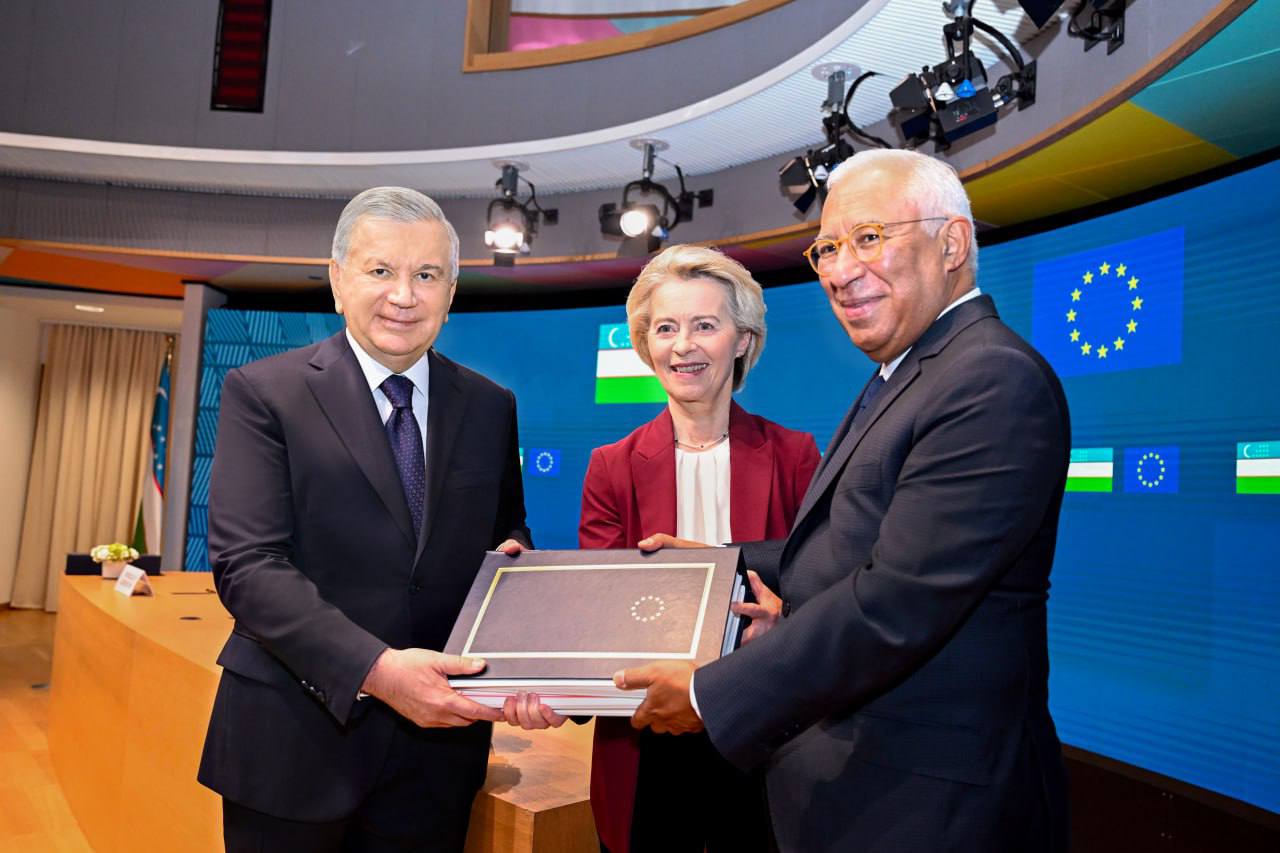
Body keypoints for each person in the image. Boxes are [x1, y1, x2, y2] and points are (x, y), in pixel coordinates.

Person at [616, 150, 1072, 853]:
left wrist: (710, 692)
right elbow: (844, 549)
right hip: (870, 791)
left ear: (951, 244)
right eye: (827, 248)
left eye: (868, 238)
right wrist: (721, 562)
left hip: (931, 808)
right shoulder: (912, 372)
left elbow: (896, 601)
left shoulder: (989, 378)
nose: (838, 269)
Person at [198, 186, 560, 852]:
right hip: (293, 743)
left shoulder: (490, 406)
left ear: (450, 292)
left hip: (435, 758)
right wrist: (378, 669)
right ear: (338, 281)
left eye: (427, 275)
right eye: (381, 270)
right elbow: (248, 567)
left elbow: (507, 533)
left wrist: (514, 578)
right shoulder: (264, 393)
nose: (404, 295)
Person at [580, 244, 820, 853]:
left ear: (743, 341)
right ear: (646, 345)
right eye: (665, 328)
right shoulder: (610, 466)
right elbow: (600, 614)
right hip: (648, 734)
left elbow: (824, 590)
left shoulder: (795, 456)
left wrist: (785, 620)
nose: (682, 345)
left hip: (763, 731)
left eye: (704, 325)